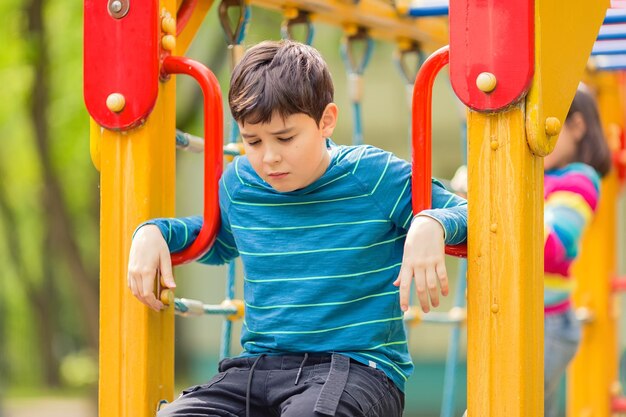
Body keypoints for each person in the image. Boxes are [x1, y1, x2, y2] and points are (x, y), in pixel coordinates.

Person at [128, 40, 467, 417]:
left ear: (326, 121)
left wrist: (430, 221)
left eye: (285, 138)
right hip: (259, 368)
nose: (269, 157)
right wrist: (153, 232)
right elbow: (215, 239)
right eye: (252, 140)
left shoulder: (373, 176)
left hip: (356, 368)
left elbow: (469, 214)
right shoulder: (241, 183)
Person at [542, 87, 612, 417]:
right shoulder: (542, 178)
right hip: (530, 319)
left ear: (577, 126)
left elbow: (553, 248)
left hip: (548, 323)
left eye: (544, 127)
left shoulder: (578, 181)